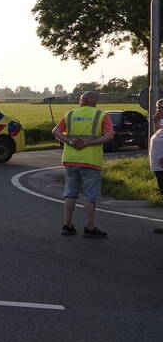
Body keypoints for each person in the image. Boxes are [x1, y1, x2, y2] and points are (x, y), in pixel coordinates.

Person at [51, 91, 114, 238]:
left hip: (71, 159)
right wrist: (88, 143)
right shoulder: (101, 115)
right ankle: (89, 227)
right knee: (90, 196)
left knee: (70, 194)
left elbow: (56, 131)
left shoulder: (70, 114)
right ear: (94, 101)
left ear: (82, 100)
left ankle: (67, 225)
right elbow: (109, 136)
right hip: (90, 161)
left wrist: (70, 142)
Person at [150, 100, 163, 234]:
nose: (158, 110)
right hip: (158, 167)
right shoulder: (161, 125)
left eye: (161, 107)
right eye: (157, 107)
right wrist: (156, 122)